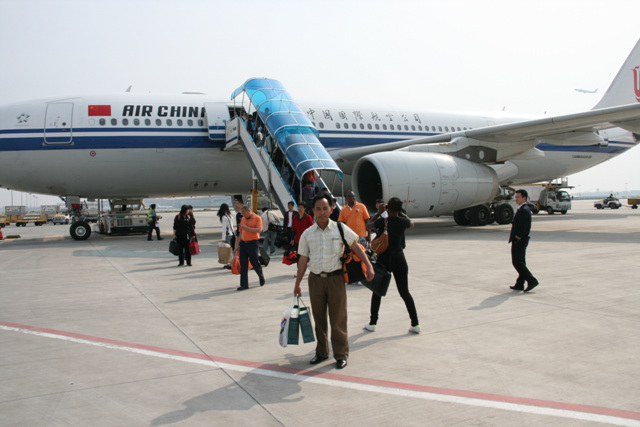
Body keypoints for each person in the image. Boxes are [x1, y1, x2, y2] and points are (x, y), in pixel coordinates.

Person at [293, 195, 374, 370]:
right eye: (318, 209)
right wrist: (297, 283)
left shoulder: (340, 228)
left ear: (331, 209)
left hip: (336, 279)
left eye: (325, 208)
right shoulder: (307, 234)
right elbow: (303, 260)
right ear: (313, 211)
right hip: (315, 280)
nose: (322, 212)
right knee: (319, 318)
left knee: (338, 318)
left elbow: (356, 246)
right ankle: (322, 352)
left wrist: (368, 265)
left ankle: (341, 354)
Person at [365, 197, 421, 334]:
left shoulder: (383, 221)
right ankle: (415, 323)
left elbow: (368, 225)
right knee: (405, 292)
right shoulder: (403, 222)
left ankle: (373, 323)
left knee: (377, 292)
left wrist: (379, 212)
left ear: (387, 208)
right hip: (399, 259)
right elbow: (412, 223)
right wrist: (401, 212)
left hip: (384, 260)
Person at [509, 189, 539, 292]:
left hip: (520, 240)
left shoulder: (524, 210)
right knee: (521, 262)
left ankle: (532, 280)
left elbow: (523, 227)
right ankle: (520, 283)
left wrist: (517, 238)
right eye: (515, 197)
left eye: (518, 197)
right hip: (520, 239)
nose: (516, 199)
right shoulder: (522, 208)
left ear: (524, 198)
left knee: (517, 262)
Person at [236, 205, 265, 291]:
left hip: (252, 243)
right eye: (242, 214)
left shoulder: (257, 218)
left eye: (244, 213)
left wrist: (247, 228)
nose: (243, 215)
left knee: (254, 262)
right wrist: (238, 244)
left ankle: (260, 276)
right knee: (243, 264)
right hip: (243, 243)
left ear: (249, 211)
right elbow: (240, 232)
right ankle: (244, 284)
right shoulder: (243, 219)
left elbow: (259, 230)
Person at [217, 203, 235, 270]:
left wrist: (223, 238)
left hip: (227, 235)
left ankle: (228, 263)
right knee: (233, 249)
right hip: (232, 234)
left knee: (227, 250)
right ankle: (233, 262)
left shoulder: (224, 217)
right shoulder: (230, 216)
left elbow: (224, 228)